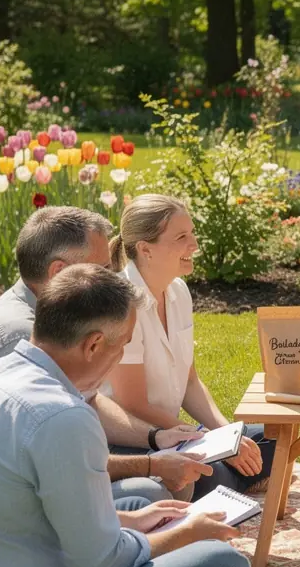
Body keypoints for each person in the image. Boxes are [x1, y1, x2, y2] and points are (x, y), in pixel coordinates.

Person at [0, 264, 300, 567]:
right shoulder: (62, 416)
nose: (120, 357)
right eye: (121, 346)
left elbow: (19, 509)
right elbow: (100, 565)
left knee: (144, 499)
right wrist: (184, 535)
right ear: (93, 344)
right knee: (223, 566)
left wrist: (134, 522)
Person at [0, 206, 209, 504]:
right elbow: (59, 459)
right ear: (59, 272)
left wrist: (154, 437)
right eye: (101, 268)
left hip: (30, 468)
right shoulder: (23, 336)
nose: (113, 276)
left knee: (173, 481)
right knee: (152, 493)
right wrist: (150, 463)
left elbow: (89, 400)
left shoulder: (53, 317)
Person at [105, 195, 274, 498]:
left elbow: (191, 382)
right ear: (145, 249)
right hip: (139, 440)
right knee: (203, 474)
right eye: (182, 237)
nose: (194, 244)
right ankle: (223, 483)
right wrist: (207, 441)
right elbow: (133, 404)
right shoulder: (121, 303)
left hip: (179, 434)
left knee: (272, 439)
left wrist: (228, 435)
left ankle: (227, 481)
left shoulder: (178, 291)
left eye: (192, 233)